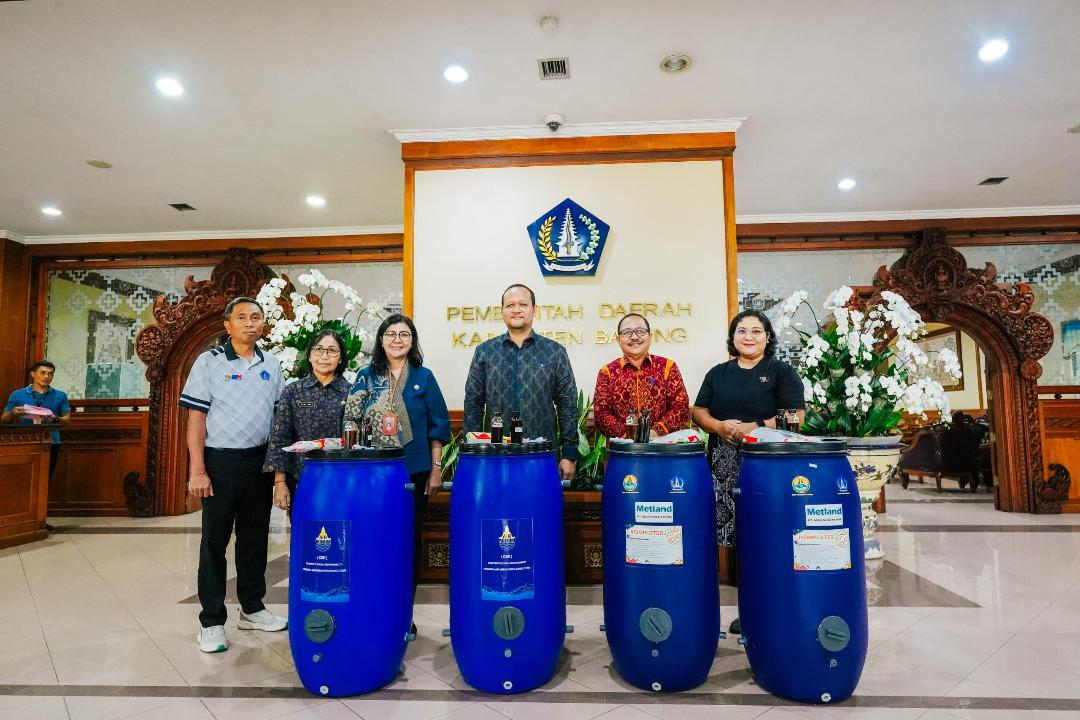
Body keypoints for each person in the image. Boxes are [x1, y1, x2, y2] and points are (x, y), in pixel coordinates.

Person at [180, 296, 287, 653]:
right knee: (215, 542)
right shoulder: (208, 363)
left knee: (255, 539)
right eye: (241, 317)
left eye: (256, 317)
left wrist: (277, 473)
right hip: (219, 462)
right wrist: (198, 469)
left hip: (259, 462)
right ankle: (211, 621)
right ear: (227, 325)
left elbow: (277, 421)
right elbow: (195, 420)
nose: (249, 323)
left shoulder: (271, 364)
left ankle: (252, 607)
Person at [691, 309, 804, 632]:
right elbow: (698, 410)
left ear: (768, 337)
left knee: (767, 533)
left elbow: (796, 414)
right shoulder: (719, 373)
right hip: (723, 462)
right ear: (733, 337)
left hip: (769, 463)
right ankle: (749, 612)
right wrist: (719, 426)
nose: (749, 337)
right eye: (742, 331)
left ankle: (774, 612)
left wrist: (753, 428)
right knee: (737, 539)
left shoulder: (781, 372)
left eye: (757, 331)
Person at [345, 314, 451, 622]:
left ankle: (403, 614)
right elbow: (350, 422)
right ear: (381, 340)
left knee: (406, 540)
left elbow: (438, 425)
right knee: (372, 538)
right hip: (371, 473)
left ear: (412, 341)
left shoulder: (424, 376)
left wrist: (435, 469)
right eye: (391, 334)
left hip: (413, 472)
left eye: (404, 334)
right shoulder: (365, 375)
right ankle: (372, 611)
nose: (397, 339)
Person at [463, 284, 579, 480]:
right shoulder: (484, 352)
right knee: (500, 509)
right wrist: (473, 450)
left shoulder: (555, 352)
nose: (516, 309)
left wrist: (569, 454)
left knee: (541, 508)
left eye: (523, 304)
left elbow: (567, 405)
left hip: (542, 454)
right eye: (510, 305)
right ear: (502, 312)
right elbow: (473, 403)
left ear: (535, 310)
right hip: (496, 455)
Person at [263, 329, 351, 513]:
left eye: (332, 351)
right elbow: (280, 437)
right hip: (302, 476)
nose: (324, 356)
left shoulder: (351, 392)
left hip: (343, 478)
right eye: (318, 349)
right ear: (309, 356)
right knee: (305, 533)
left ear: (341, 358)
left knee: (341, 533)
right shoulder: (293, 392)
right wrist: (280, 483)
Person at [592, 313, 690, 439]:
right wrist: (629, 436)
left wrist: (653, 434)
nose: (634, 337)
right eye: (627, 332)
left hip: (661, 449)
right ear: (618, 340)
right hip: (622, 451)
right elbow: (601, 415)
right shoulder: (607, 372)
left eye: (640, 331)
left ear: (650, 337)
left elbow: (680, 408)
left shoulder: (667, 367)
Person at [3, 360, 72, 528]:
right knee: (21, 481)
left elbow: (67, 420)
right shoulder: (17, 394)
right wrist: (13, 413)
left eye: (50, 374)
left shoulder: (60, 395)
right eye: (43, 373)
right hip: (23, 443)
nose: (46, 377)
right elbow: (3, 419)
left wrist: (53, 418)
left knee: (43, 481)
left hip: (50, 443)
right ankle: (18, 519)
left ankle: (39, 520)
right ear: (33, 374)